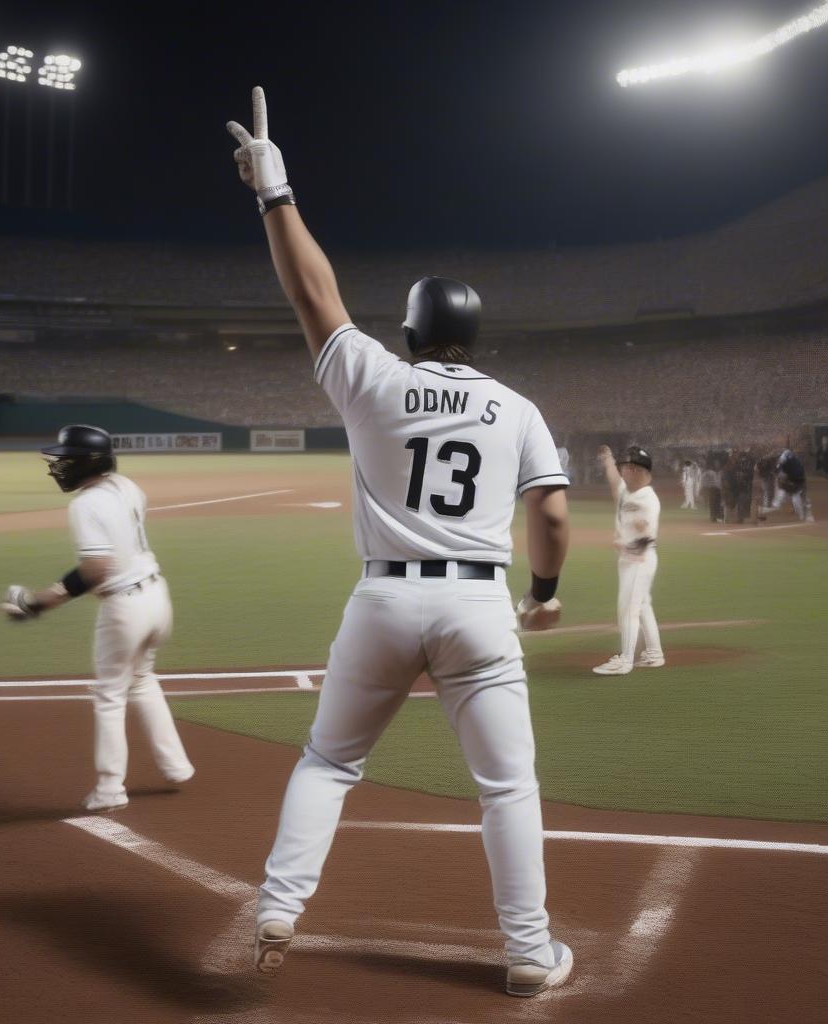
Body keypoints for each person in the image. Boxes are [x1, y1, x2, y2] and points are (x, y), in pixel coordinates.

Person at [227, 87, 573, 998]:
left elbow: (313, 290)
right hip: (478, 603)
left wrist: (275, 191)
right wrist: (543, 591)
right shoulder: (518, 406)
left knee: (330, 761)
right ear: (476, 336)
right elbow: (555, 514)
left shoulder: (373, 377)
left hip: (383, 598)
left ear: (412, 332)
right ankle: (530, 952)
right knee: (507, 787)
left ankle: (277, 904)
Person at [0, 424, 195, 811]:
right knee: (141, 680)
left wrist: (39, 602)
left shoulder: (85, 505)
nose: (58, 466)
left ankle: (109, 789)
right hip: (157, 597)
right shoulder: (125, 486)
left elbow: (98, 568)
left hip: (126, 607)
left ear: (88, 462)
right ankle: (175, 765)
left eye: (66, 459)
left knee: (109, 695)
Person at [592, 444, 664, 676]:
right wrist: (607, 459)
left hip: (638, 560)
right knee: (642, 607)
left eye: (626, 467)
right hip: (631, 559)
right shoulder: (629, 492)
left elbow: (646, 535)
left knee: (628, 609)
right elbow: (615, 485)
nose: (622, 471)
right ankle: (654, 654)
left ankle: (625, 660)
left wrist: (627, 545)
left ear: (637, 471)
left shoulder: (647, 498)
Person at [770, 448, 814, 522]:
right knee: (785, 495)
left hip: (798, 481)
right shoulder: (786, 460)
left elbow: (795, 477)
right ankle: (802, 515)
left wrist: (787, 480)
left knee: (799, 498)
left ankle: (807, 515)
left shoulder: (794, 464)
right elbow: (778, 470)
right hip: (791, 481)